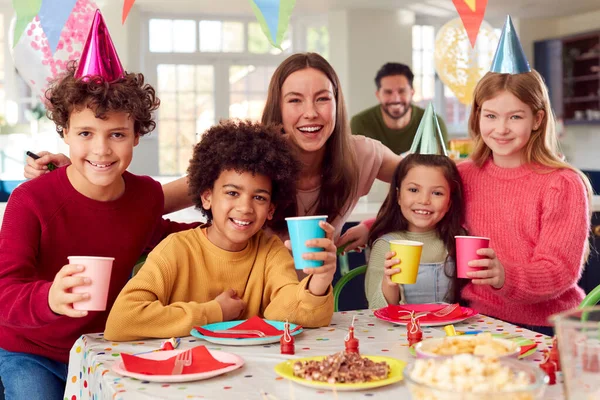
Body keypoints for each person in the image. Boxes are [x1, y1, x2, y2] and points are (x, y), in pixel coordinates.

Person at [26, 53, 403, 256]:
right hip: (251, 289)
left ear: (338, 104)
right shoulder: (248, 160)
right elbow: (148, 201)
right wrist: (77, 177)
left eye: (323, 99)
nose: (310, 113)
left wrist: (372, 226)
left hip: (318, 290)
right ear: (277, 106)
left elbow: (424, 180)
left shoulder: (362, 154)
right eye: (295, 100)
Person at [0, 12, 197, 399]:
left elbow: (167, 239)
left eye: (118, 134)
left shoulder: (143, 197)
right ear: (65, 134)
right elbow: (5, 289)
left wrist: (232, 232)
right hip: (30, 351)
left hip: (103, 347)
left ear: (137, 136)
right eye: (86, 133)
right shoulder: (31, 200)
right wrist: (50, 299)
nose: (101, 149)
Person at [104, 120, 336, 341]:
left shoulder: (271, 251)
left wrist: (319, 281)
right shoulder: (176, 249)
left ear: (270, 210)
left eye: (259, 197)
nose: (245, 208)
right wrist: (214, 311)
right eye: (232, 193)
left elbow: (287, 313)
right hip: (181, 374)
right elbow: (122, 321)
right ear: (207, 197)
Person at [458, 17, 592, 336]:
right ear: (477, 117)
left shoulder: (561, 183)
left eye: (515, 117)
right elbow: (420, 204)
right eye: (491, 116)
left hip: (547, 327)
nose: (501, 129)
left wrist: (506, 277)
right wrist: (372, 228)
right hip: (477, 320)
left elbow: (559, 271)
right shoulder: (463, 174)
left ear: (536, 119)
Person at [364, 153, 466, 309]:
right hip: (403, 331)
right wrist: (390, 284)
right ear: (398, 196)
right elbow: (377, 308)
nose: (424, 200)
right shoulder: (385, 246)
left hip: (451, 331)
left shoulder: (459, 240)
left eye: (437, 193)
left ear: (449, 203)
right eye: (413, 190)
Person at [350, 62, 449, 155]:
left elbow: (440, 167)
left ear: (412, 92)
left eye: (402, 91)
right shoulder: (360, 123)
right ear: (378, 95)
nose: (396, 99)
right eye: (388, 92)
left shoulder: (433, 122)